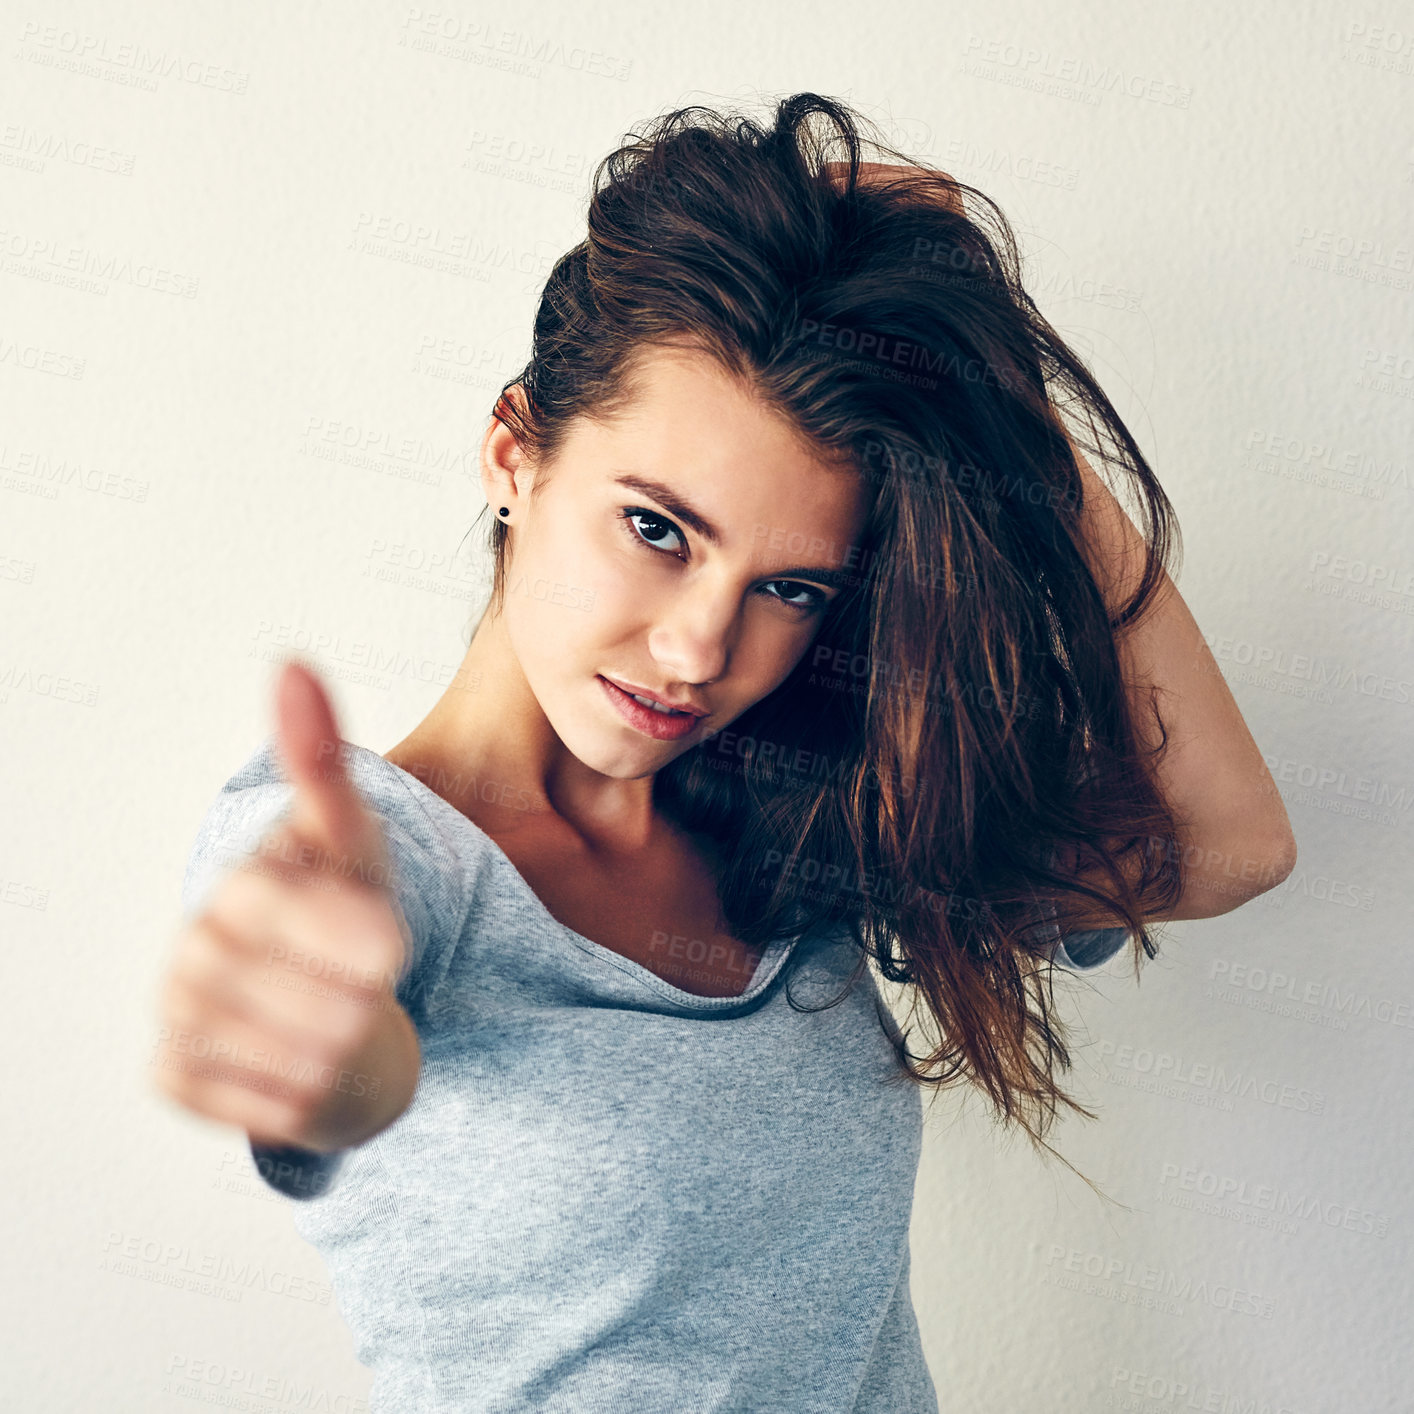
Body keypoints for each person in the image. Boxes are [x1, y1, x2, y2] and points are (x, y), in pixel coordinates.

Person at [152, 92, 1297, 1412]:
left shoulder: (803, 817)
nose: (701, 650)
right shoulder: (368, 853)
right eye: (657, 529)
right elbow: (334, 1053)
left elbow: (1228, 840)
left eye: (790, 588)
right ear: (512, 452)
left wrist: (1000, 410)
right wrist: (299, 1024)